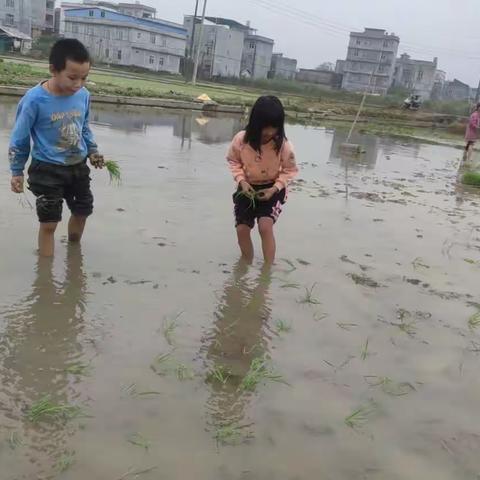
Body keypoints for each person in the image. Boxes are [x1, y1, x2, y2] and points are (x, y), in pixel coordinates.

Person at [8, 38, 104, 257]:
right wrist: (17, 172)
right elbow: (19, 138)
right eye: (72, 77)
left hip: (77, 166)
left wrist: (93, 151)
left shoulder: (84, 95)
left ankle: (73, 254)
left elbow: (84, 128)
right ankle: (45, 278)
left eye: (84, 77)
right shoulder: (34, 100)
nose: (78, 84)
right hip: (47, 169)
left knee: (82, 211)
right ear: (53, 69)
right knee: (49, 223)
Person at [226, 95, 298, 264]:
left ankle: (267, 271)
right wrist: (241, 181)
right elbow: (233, 161)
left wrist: (274, 189)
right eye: (264, 128)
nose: (269, 133)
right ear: (255, 124)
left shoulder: (283, 146)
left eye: (273, 128)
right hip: (246, 187)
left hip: (273, 189)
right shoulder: (241, 140)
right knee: (242, 229)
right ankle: (245, 263)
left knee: (265, 227)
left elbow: (290, 170)